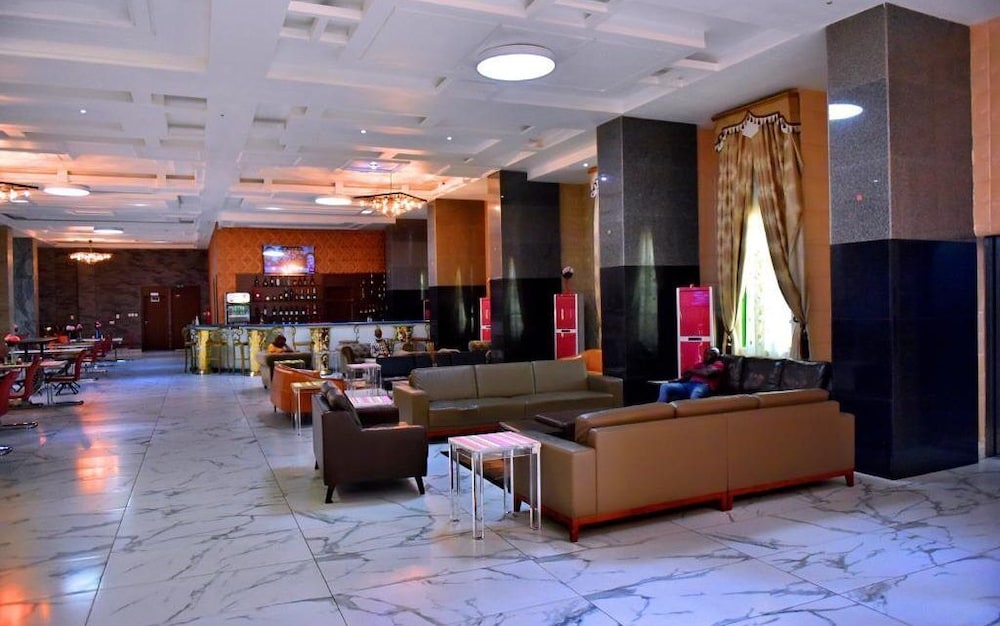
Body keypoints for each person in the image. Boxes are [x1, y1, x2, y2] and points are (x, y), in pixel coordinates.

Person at [657, 346, 725, 403]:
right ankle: (659, 408)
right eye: (707, 353)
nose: (708, 356)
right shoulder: (699, 364)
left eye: (712, 354)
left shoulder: (718, 364)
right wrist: (677, 380)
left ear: (717, 356)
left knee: (695, 394)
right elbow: (685, 374)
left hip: (704, 386)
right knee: (665, 386)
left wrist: (690, 370)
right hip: (689, 384)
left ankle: (692, 413)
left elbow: (707, 373)